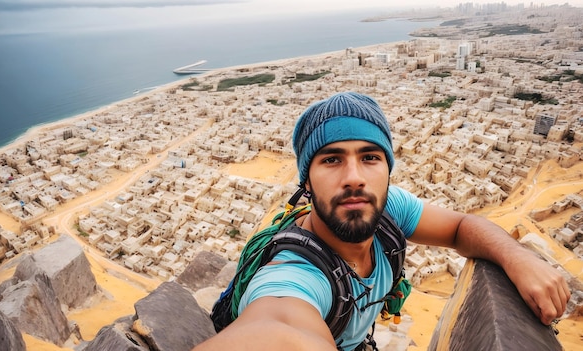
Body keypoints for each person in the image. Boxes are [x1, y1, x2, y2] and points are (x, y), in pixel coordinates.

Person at [193, 92, 571, 351]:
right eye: (331, 159)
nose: (354, 176)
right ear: (305, 181)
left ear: (388, 170)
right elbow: (275, 329)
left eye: (370, 157)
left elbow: (460, 227)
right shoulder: (292, 276)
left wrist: (518, 257)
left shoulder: (389, 208)